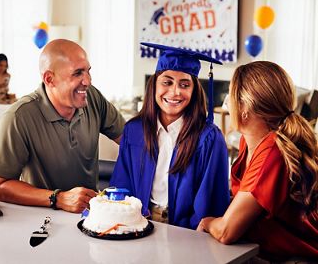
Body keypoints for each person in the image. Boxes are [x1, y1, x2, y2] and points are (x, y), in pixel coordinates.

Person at [197, 61, 318, 262]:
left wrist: (208, 222)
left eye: (231, 95)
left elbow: (227, 231)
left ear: (245, 107)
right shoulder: (249, 140)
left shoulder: (273, 150)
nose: (227, 102)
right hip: (265, 251)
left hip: (294, 258)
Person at [0, 39, 125, 213]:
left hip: (90, 217)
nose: (88, 81)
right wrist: (59, 198)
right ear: (49, 79)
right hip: (42, 219)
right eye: (77, 73)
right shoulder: (18, 117)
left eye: (88, 71)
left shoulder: (92, 98)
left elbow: (131, 140)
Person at [110, 43, 230, 229]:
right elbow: (121, 185)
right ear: (154, 86)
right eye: (167, 82)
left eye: (184, 85)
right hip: (137, 224)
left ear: (194, 91)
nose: (175, 92)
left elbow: (210, 201)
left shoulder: (208, 138)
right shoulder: (134, 131)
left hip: (187, 232)